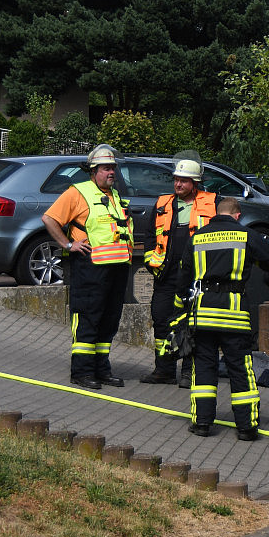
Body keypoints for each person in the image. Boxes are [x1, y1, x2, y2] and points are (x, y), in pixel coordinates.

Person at [171, 197, 269, 441]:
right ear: (238, 215)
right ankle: (247, 427)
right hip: (234, 316)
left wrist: (179, 309)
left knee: (204, 369)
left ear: (215, 214)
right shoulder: (246, 235)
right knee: (241, 369)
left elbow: (183, 278)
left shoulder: (197, 237)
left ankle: (202, 423)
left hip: (203, 314)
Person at [41, 144, 134, 390]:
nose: (111, 172)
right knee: (88, 317)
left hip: (116, 268)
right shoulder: (77, 193)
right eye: (106, 168)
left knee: (109, 319)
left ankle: (101, 369)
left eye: (113, 168)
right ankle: (81, 372)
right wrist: (67, 244)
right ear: (93, 171)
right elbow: (49, 218)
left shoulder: (114, 195)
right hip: (90, 267)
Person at [141, 157, 218, 387]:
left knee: (192, 323)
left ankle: (188, 372)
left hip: (196, 276)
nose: (178, 185)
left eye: (184, 181)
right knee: (161, 320)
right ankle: (164, 370)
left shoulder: (212, 202)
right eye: (176, 180)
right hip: (166, 274)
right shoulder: (163, 203)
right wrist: (149, 262)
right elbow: (148, 237)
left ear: (195, 183)